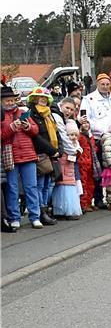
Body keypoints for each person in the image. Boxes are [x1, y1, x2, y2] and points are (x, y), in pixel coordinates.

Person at [2, 84, 44, 229]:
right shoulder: (1, 116)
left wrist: (28, 127)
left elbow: (35, 130)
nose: (10, 102)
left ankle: (35, 216)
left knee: (31, 187)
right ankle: (15, 217)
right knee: (12, 188)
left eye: (12, 100)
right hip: (11, 155)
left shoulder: (22, 112)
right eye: (7, 100)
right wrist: (11, 128)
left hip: (28, 154)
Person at [26, 87, 60, 225]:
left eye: (45, 99)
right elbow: (36, 137)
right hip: (40, 153)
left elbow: (56, 133)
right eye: (40, 99)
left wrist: (58, 149)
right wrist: (52, 150)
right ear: (34, 100)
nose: (43, 101)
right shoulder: (32, 115)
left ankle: (45, 209)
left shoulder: (49, 115)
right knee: (39, 185)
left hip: (50, 153)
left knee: (47, 184)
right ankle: (41, 212)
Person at [51, 119, 83, 220]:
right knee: (62, 193)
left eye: (75, 135)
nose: (73, 137)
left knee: (69, 194)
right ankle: (61, 211)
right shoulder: (65, 149)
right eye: (71, 135)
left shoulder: (75, 148)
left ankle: (69, 211)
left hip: (70, 175)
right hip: (63, 176)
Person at [76, 114, 99, 212]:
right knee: (83, 183)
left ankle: (89, 201)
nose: (86, 125)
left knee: (91, 183)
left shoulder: (90, 136)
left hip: (91, 163)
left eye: (87, 123)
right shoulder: (80, 136)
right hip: (83, 163)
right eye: (84, 123)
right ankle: (83, 204)